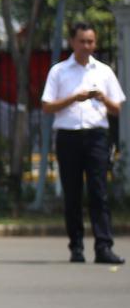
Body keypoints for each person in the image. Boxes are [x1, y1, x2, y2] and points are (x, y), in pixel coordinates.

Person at [41, 22, 126, 264]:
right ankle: (76, 247)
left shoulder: (103, 71)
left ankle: (103, 247)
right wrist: (74, 98)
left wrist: (102, 97)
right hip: (68, 136)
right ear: (72, 42)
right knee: (72, 193)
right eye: (82, 41)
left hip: (97, 136)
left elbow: (117, 108)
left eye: (91, 41)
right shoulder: (59, 71)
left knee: (99, 192)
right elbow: (47, 106)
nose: (87, 46)